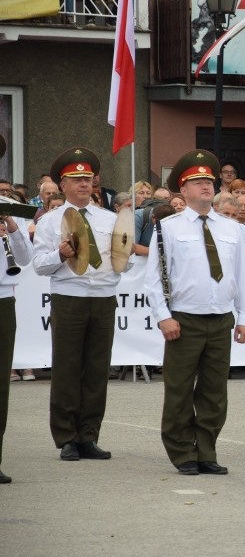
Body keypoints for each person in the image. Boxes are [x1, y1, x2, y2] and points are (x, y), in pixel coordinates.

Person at [145, 149, 245, 476]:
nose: (206, 186)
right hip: (184, 319)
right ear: (183, 188)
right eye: (197, 181)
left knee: (214, 392)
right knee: (178, 390)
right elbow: (155, 278)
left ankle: (206, 449)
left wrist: (244, 317)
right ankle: (182, 451)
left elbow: (241, 275)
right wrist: (164, 315)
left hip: (220, 319)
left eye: (209, 180)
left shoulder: (231, 229)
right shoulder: (169, 228)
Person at [32, 147, 133, 462]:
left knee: (97, 369)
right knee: (67, 368)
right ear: (62, 185)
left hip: (103, 298)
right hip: (70, 297)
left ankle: (89, 435)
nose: (84, 184)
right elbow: (39, 265)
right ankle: (66, 438)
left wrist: (124, 257)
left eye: (88, 179)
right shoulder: (50, 221)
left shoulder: (109, 218)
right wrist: (60, 254)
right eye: (76, 179)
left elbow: (124, 264)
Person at [0, 135, 34, 482]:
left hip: (2, 300)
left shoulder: (9, 207)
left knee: (0, 385)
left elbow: (25, 260)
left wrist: (11, 229)